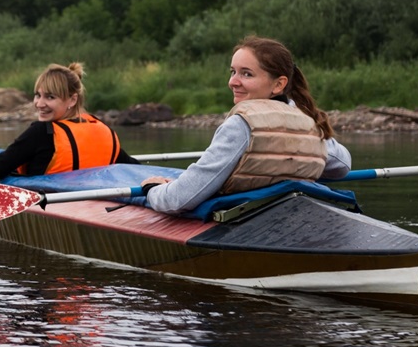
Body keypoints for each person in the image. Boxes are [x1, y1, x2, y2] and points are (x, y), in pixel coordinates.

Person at [141, 36, 351, 214]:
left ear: (279, 84)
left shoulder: (241, 125)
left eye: (246, 74)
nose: (233, 82)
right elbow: (342, 165)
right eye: (233, 72)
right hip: (291, 216)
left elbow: (181, 199)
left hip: (248, 221)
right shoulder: (308, 121)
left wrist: (153, 190)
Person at [0, 62, 139, 179]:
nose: (39, 104)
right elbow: (134, 168)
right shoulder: (104, 130)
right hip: (97, 207)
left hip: (54, 207)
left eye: (50, 97)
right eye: (38, 95)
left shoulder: (41, 132)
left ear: (72, 100)